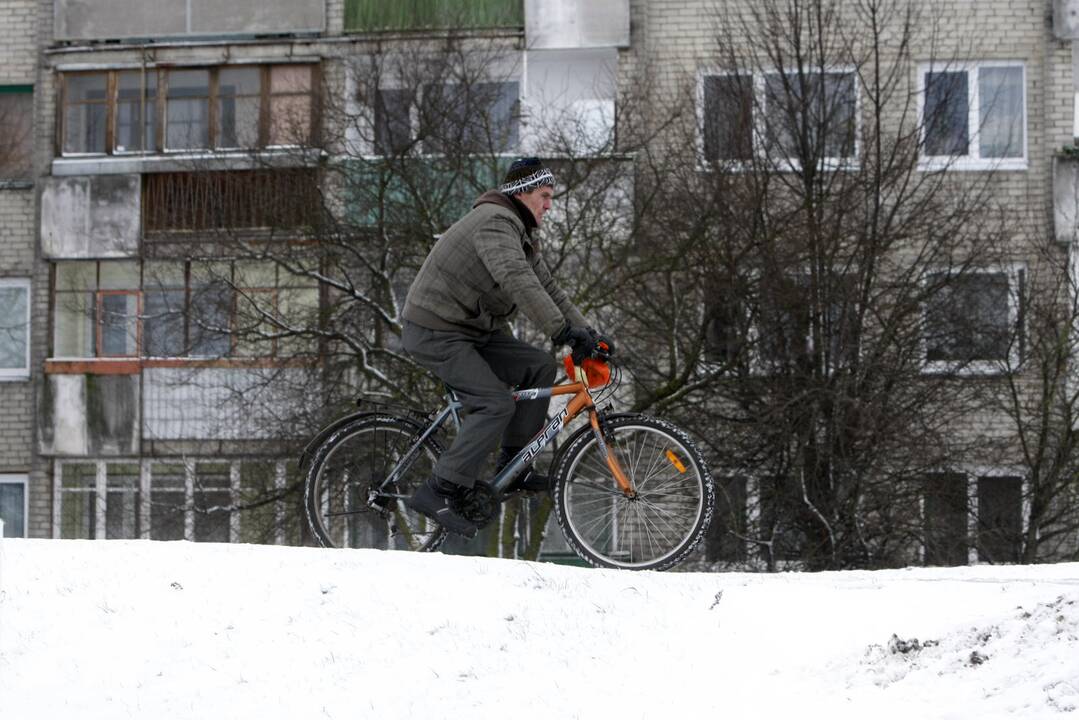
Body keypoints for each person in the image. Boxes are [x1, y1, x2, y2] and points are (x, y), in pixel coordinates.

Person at [401, 157, 612, 537]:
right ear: (522, 193)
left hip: (471, 329)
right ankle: (439, 488)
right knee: (493, 403)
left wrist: (588, 333)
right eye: (544, 196)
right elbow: (516, 280)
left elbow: (547, 287)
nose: (549, 205)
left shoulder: (521, 232)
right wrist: (563, 330)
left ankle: (514, 467)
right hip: (436, 329)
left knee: (539, 366)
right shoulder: (496, 223)